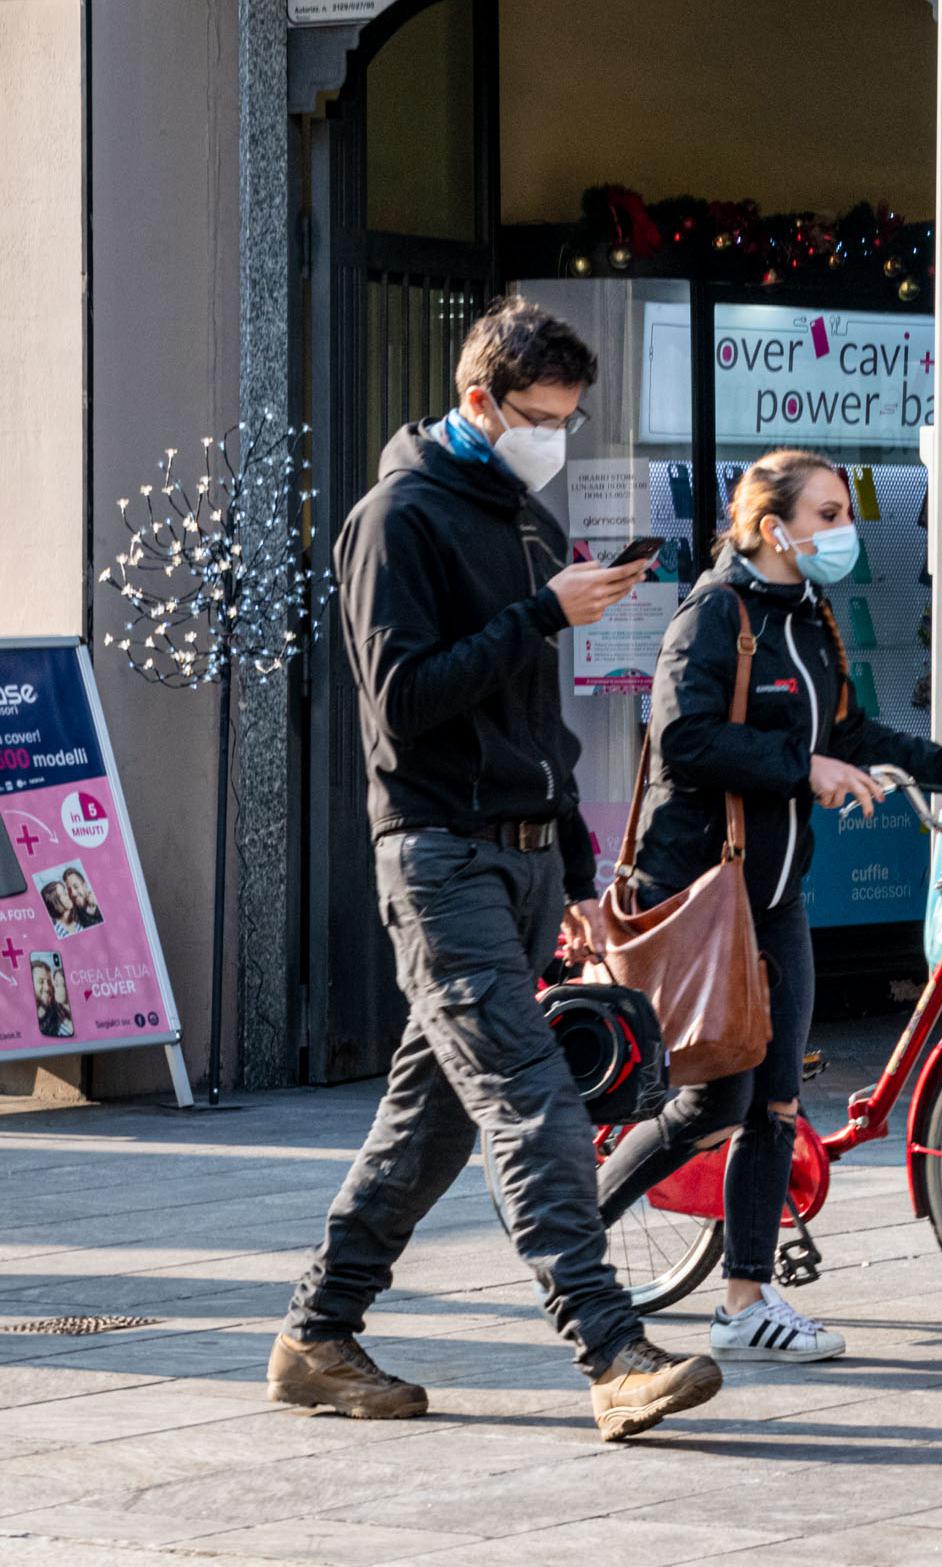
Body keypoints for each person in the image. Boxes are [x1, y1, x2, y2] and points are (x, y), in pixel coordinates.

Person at [276, 298, 723, 1441]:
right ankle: (610, 1349)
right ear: (478, 401)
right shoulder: (397, 518)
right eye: (538, 417)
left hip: (523, 859)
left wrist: (575, 868)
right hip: (437, 853)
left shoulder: (521, 516)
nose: (553, 439)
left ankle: (318, 1334)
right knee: (535, 1102)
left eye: (567, 419)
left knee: (429, 1118)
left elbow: (535, 718)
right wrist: (538, 612)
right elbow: (405, 700)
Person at [592, 448, 942, 1362]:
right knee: (706, 1106)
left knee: (771, 1103)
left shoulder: (809, 618)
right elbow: (684, 741)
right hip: (702, 892)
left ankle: (744, 1302)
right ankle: (563, 1237)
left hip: (775, 895)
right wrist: (802, 769)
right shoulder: (716, 616)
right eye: (829, 512)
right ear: (775, 528)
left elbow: (843, 726)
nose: (844, 529)